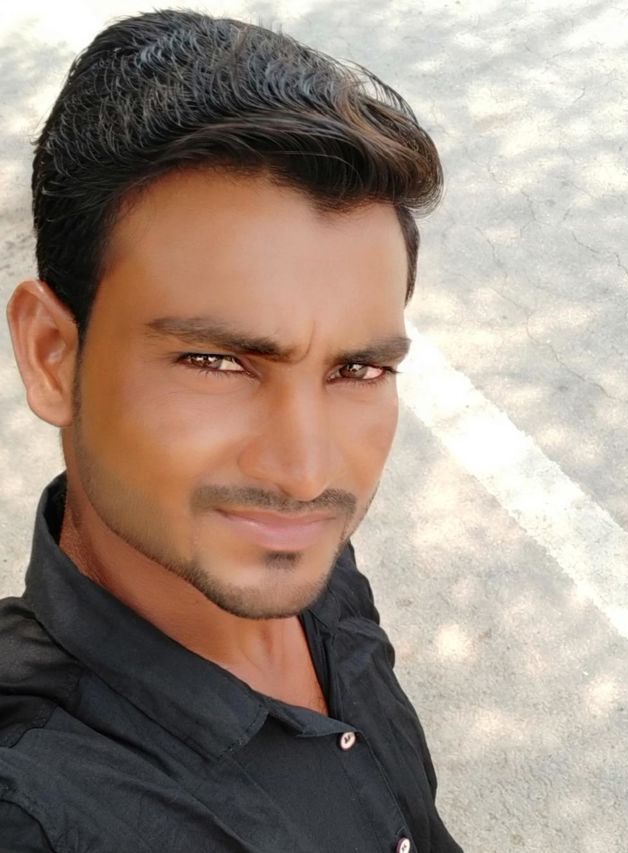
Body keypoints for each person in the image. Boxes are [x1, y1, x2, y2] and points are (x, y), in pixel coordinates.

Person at [0, 9, 463, 852]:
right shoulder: (38, 810)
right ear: (52, 355)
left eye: (357, 370)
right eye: (217, 362)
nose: (306, 472)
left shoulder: (305, 559)